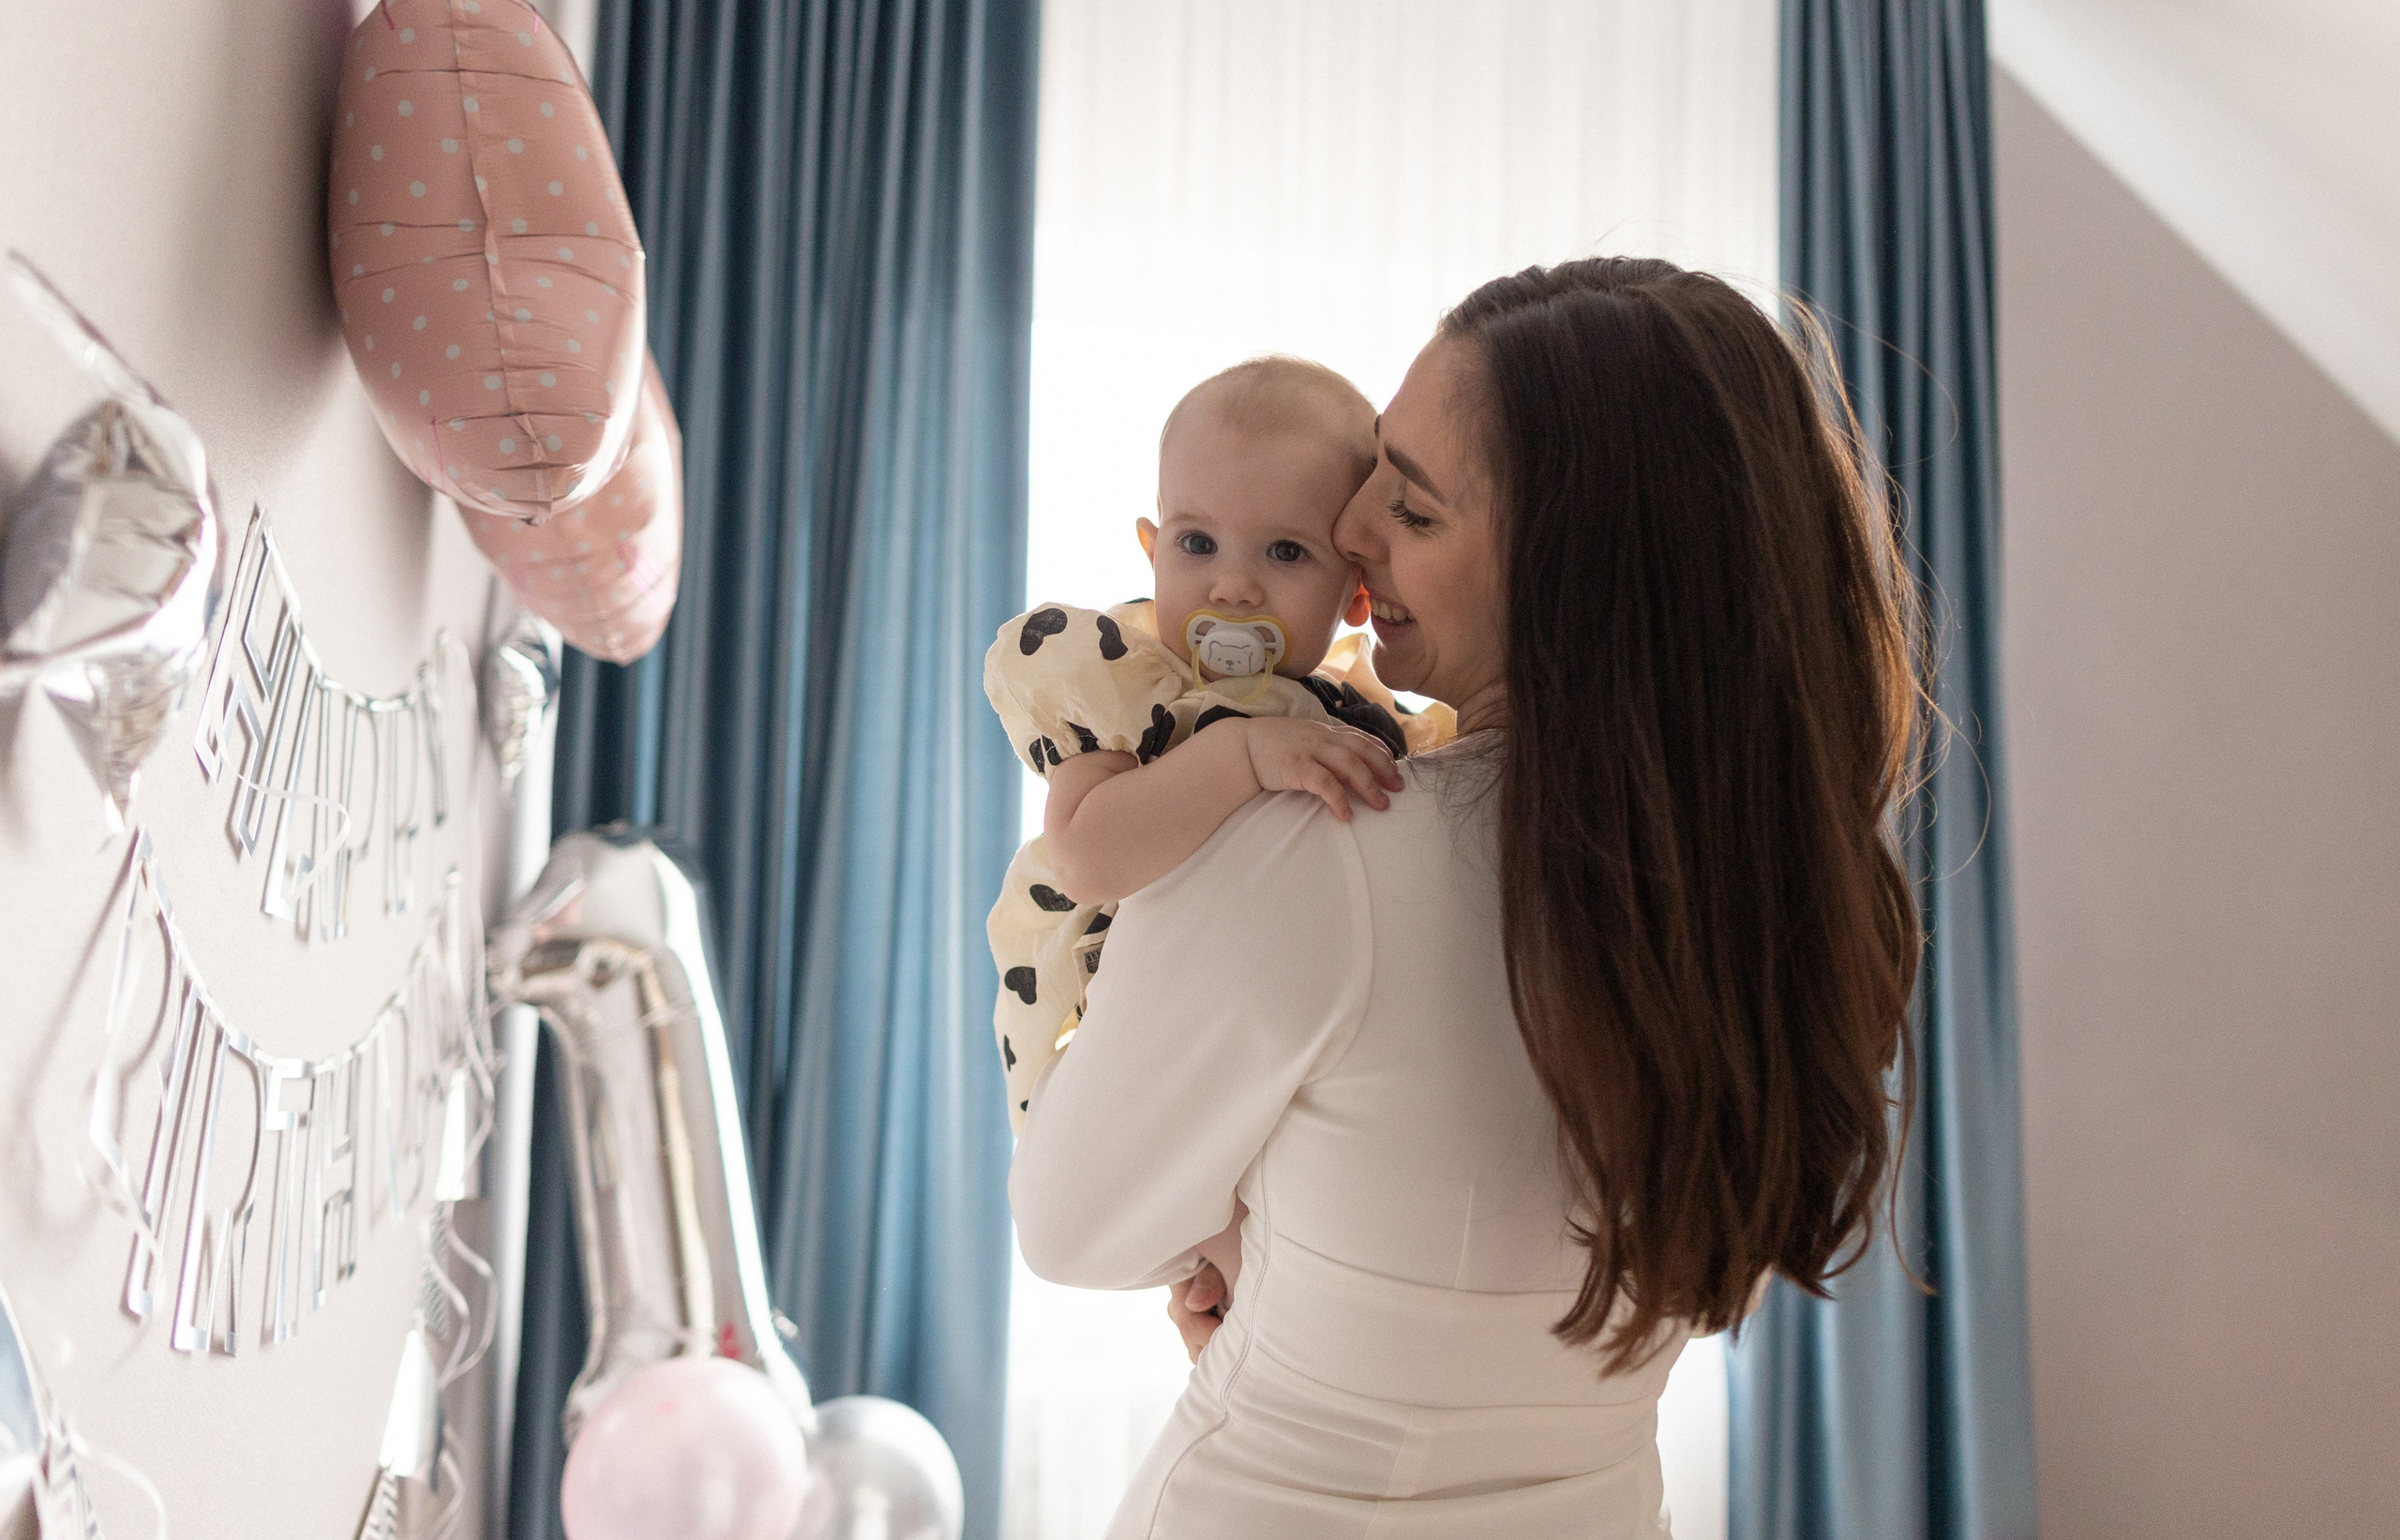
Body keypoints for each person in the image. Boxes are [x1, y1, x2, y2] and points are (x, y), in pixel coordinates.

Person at [1010, 258, 1925, 1539]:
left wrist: (1258, 1272)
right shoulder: (1767, 902)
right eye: (1376, 468)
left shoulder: (1315, 840)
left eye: (1417, 511)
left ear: (1570, 575)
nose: (1353, 532)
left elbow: (1073, 1228)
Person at [983, 355, 1449, 1133]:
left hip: (1269, 1044)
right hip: (1116, 1035)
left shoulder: (1359, 715)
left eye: (1286, 552)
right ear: (1151, 546)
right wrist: (1243, 756)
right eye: (1197, 542)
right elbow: (1081, 855)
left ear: (1357, 591)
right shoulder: (1127, 687)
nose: (1233, 586)